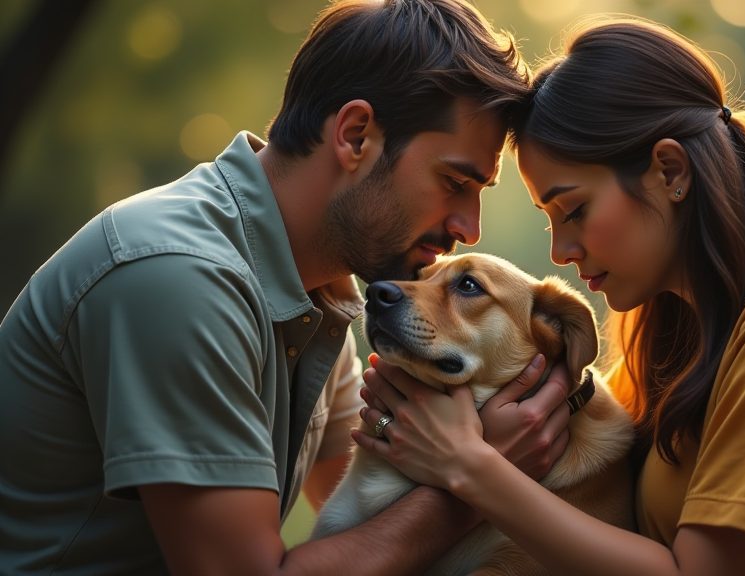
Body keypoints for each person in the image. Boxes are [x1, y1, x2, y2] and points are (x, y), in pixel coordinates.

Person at [354, 17, 745, 576]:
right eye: (549, 219)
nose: (561, 252)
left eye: (574, 210)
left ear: (670, 172)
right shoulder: (681, 335)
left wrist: (469, 466)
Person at [0, 1, 576, 574]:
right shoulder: (181, 280)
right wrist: (483, 479)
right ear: (355, 136)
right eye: (454, 181)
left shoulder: (318, 287)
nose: (468, 226)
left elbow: (365, 513)